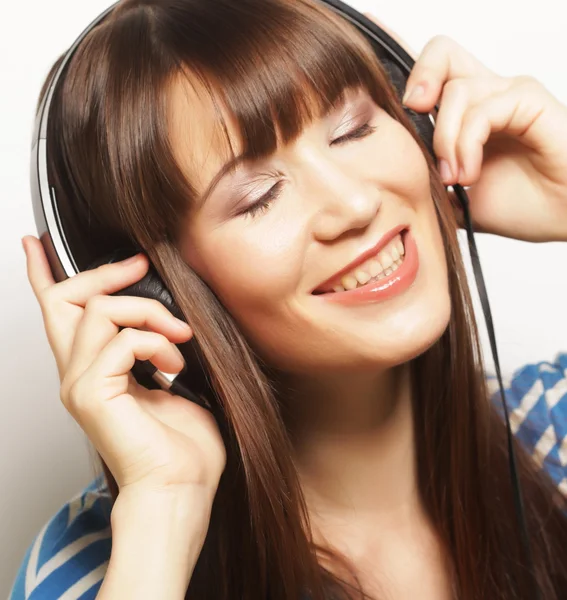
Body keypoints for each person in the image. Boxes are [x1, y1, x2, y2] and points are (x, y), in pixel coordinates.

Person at [9, 0, 567, 598]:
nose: (355, 205)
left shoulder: (549, 424)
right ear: (155, 294)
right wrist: (165, 509)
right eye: (256, 197)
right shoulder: (95, 571)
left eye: (354, 130)